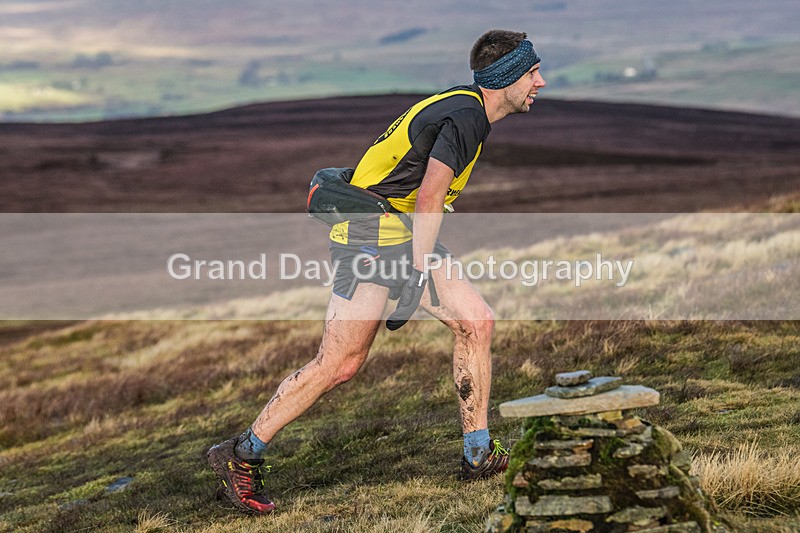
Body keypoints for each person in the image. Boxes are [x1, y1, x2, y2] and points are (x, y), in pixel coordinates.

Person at [207, 29, 546, 514]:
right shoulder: (468, 116)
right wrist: (418, 265)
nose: (541, 81)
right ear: (507, 77)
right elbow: (430, 194)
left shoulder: (464, 106)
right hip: (375, 236)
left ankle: (477, 454)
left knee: (365, 357)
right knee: (361, 358)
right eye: (532, 72)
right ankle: (241, 455)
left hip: (386, 231)